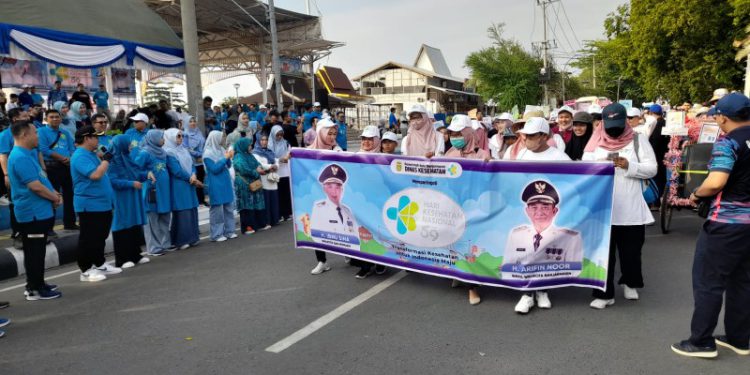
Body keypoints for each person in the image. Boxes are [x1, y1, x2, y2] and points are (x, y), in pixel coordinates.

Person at [672, 92, 750, 358]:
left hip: (726, 224)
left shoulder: (728, 143)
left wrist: (696, 194)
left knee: (709, 282)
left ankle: (701, 341)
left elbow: (716, 182)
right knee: (743, 281)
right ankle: (740, 339)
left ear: (723, 117)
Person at [583, 103, 657, 310]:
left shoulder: (638, 139)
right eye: (610, 125)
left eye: (618, 124)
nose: (614, 130)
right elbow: (583, 169)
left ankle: (630, 282)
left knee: (631, 251)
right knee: (603, 253)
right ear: (603, 123)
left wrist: (629, 166)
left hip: (631, 208)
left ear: (625, 121)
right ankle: (604, 293)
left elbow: (652, 168)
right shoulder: (594, 142)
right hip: (603, 208)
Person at [509, 117, 571, 313]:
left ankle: (543, 290)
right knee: (528, 252)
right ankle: (527, 294)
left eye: (531, 136)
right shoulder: (522, 156)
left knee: (546, 250)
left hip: (550, 215)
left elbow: (574, 181)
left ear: (544, 136)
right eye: (525, 136)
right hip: (528, 215)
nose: (526, 139)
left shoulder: (559, 157)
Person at [8, 120, 62, 300]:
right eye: (35, 133)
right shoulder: (20, 157)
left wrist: (54, 194)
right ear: (24, 135)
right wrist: (55, 197)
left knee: (38, 251)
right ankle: (35, 288)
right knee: (34, 252)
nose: (37, 136)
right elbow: (35, 186)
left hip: (39, 212)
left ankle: (38, 282)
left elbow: (42, 179)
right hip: (32, 215)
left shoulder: (28, 154)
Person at [441, 115, 489, 305]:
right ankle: (457, 273)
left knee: (470, 247)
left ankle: (472, 287)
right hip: (452, 208)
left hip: (474, 211)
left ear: (469, 133)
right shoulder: (449, 154)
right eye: (451, 133)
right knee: (453, 244)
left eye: (458, 133)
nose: (454, 136)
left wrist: (490, 165)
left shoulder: (482, 155)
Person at [502, 181, 584, 278]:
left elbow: (574, 273)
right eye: (534, 207)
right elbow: (507, 270)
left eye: (545, 207)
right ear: (527, 211)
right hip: (521, 289)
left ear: (554, 211)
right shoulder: (516, 235)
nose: (539, 212)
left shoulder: (570, 238)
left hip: (554, 290)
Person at [71, 125, 120, 282]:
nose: (98, 140)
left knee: (100, 236)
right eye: (95, 137)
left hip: (101, 203)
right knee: (89, 237)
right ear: (87, 138)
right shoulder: (80, 156)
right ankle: (85, 269)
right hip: (89, 203)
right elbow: (96, 175)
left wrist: (101, 156)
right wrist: (105, 160)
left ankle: (99, 263)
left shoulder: (91, 153)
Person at [308, 119, 344, 274]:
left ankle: (349, 254)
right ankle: (322, 261)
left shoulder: (337, 150)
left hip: (337, 198)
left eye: (334, 134)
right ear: (321, 132)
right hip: (317, 197)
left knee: (343, 227)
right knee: (318, 227)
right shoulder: (308, 151)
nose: (332, 137)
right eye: (329, 133)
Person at [309, 163, 360, 273]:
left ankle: (348, 254)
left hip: (346, 243)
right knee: (319, 234)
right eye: (330, 186)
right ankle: (322, 262)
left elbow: (353, 232)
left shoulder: (347, 209)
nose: (334, 191)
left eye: (338, 186)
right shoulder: (319, 207)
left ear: (342, 189)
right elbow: (315, 234)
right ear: (324, 189)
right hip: (326, 237)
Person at [108, 135, 150, 268]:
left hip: (133, 195)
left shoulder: (128, 158)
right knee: (122, 224)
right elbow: (112, 181)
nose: (130, 146)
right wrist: (130, 183)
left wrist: (146, 174)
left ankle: (135, 254)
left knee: (134, 223)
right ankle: (122, 258)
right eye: (128, 144)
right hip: (121, 197)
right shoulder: (112, 161)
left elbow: (137, 173)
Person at [352, 125, 387, 278]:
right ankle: (365, 266)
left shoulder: (384, 158)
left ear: (377, 140)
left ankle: (380, 263)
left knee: (378, 233)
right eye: (364, 139)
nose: (366, 142)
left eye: (370, 139)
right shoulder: (354, 156)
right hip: (360, 202)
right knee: (362, 234)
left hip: (378, 203)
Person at [134, 130, 172, 256]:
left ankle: (165, 243)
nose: (163, 140)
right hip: (152, 190)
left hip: (164, 190)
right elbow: (135, 170)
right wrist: (146, 174)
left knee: (164, 216)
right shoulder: (145, 153)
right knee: (152, 219)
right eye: (161, 137)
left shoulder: (162, 152)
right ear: (154, 138)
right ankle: (154, 247)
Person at [38, 109, 77, 231]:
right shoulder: (41, 132)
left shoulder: (65, 132)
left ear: (61, 118)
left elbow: (72, 148)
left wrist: (70, 159)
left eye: (57, 117)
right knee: (51, 196)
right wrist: (62, 158)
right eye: (52, 117)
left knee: (70, 196)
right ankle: (49, 228)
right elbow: (44, 149)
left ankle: (70, 223)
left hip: (67, 167)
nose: (55, 119)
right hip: (51, 167)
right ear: (46, 119)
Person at [163, 128, 201, 250]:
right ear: (170, 137)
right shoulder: (169, 152)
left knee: (191, 209)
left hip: (189, 183)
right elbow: (176, 170)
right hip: (179, 184)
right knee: (182, 211)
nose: (181, 138)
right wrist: (190, 177)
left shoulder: (184, 150)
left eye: (181, 136)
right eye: (178, 136)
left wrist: (194, 174)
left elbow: (192, 165)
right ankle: (181, 240)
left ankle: (193, 238)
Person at [203, 131, 238, 242]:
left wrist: (228, 157)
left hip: (225, 181)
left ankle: (230, 231)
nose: (223, 139)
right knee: (217, 209)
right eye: (221, 137)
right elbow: (214, 169)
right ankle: (216, 234)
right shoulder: (207, 154)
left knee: (228, 206)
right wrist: (225, 158)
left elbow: (228, 165)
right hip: (215, 182)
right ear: (215, 138)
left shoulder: (222, 150)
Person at [233, 137, 266, 235]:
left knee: (254, 204)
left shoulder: (249, 155)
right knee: (246, 206)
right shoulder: (238, 156)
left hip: (252, 183)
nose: (250, 146)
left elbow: (258, 164)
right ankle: (247, 227)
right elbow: (243, 170)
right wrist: (257, 172)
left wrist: (260, 168)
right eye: (248, 145)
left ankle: (256, 225)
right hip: (244, 184)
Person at [254, 133, 280, 228]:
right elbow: (259, 164)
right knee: (266, 200)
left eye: (266, 140)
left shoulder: (271, 151)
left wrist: (276, 166)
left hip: (272, 178)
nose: (264, 142)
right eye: (262, 140)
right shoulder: (255, 152)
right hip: (264, 178)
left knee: (273, 199)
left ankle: (275, 219)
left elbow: (276, 161)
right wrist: (270, 166)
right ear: (258, 141)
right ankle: (267, 221)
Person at [647, 104, 669, 207]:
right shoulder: (667, 123)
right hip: (665, 156)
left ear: (651, 113)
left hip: (655, 155)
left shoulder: (653, 124)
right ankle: (661, 200)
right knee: (662, 179)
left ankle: (655, 201)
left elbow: (654, 142)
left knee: (655, 179)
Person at [269, 125, 293, 221]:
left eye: (281, 135)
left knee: (286, 194)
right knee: (278, 195)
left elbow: (290, 153)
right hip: (276, 172)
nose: (279, 137)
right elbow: (269, 157)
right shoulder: (269, 145)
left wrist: (288, 158)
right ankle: (279, 214)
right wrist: (279, 160)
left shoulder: (286, 143)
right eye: (277, 135)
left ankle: (287, 213)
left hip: (286, 172)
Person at [182, 116, 206, 205]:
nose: (193, 123)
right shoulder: (185, 135)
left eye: (194, 121)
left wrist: (202, 155)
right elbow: (186, 148)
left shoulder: (199, 132)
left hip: (201, 161)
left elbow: (204, 145)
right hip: (192, 161)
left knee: (201, 180)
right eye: (190, 121)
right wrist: (198, 155)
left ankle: (201, 200)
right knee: (194, 181)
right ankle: (195, 201)